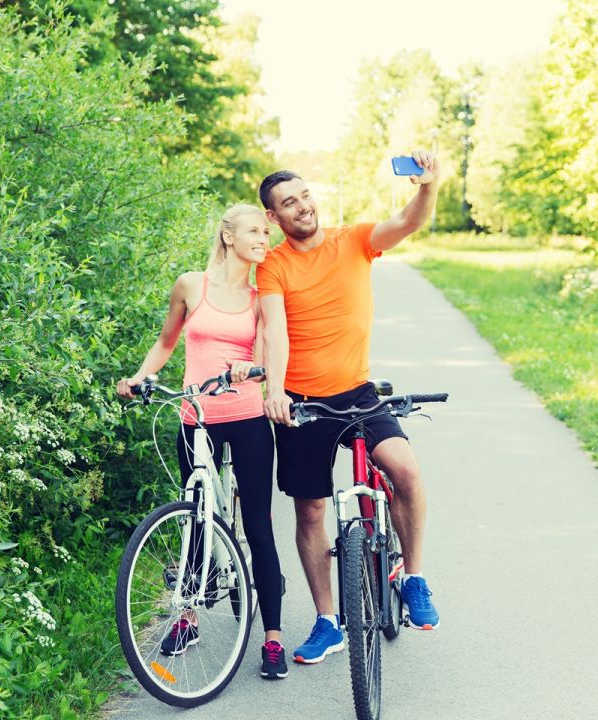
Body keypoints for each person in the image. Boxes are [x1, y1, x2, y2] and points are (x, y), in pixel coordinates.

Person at [256, 151, 442, 664]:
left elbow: (408, 221)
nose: (302, 208)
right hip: (300, 400)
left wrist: (427, 186)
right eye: (288, 204)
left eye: (304, 196)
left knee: (403, 468)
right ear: (273, 218)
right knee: (310, 508)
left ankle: (415, 577)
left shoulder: (352, 240)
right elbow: (275, 329)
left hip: (357, 392)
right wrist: (275, 389)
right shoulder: (273, 265)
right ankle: (327, 620)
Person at [116, 204, 288, 680]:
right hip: (196, 416)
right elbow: (167, 342)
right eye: (255, 230)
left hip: (248, 418)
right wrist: (139, 377)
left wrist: (250, 368)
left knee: (257, 525)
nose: (263, 237)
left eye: (266, 232)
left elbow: (264, 355)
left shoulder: (260, 297)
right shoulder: (192, 286)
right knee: (197, 516)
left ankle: (272, 638)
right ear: (229, 236)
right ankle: (188, 617)